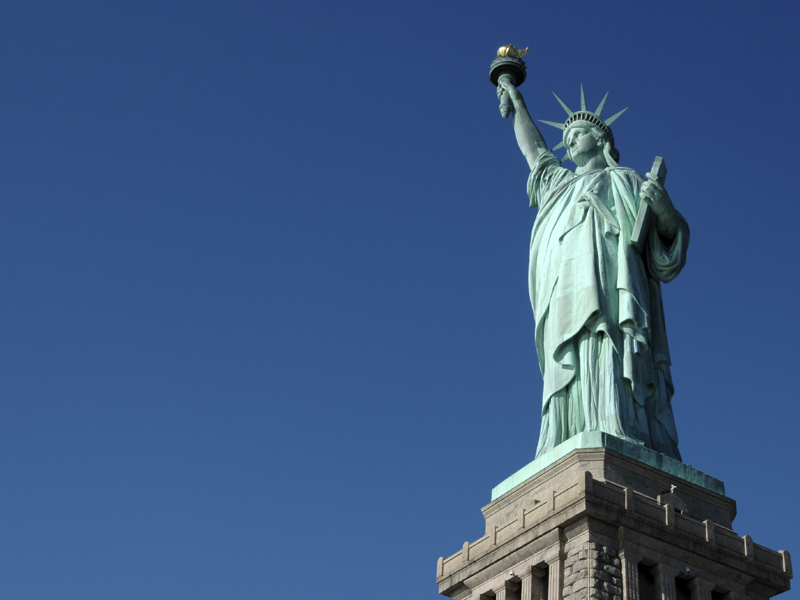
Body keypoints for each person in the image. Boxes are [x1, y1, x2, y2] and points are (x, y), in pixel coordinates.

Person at [495, 80, 689, 460]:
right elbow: (535, 152)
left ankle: (621, 424)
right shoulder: (559, 186)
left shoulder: (627, 180)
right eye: (566, 137)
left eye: (577, 133)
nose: (568, 143)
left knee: (608, 346)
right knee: (573, 356)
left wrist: (664, 210)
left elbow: (667, 249)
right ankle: (568, 433)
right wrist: (517, 102)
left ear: (599, 139)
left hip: (613, 289)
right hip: (565, 295)